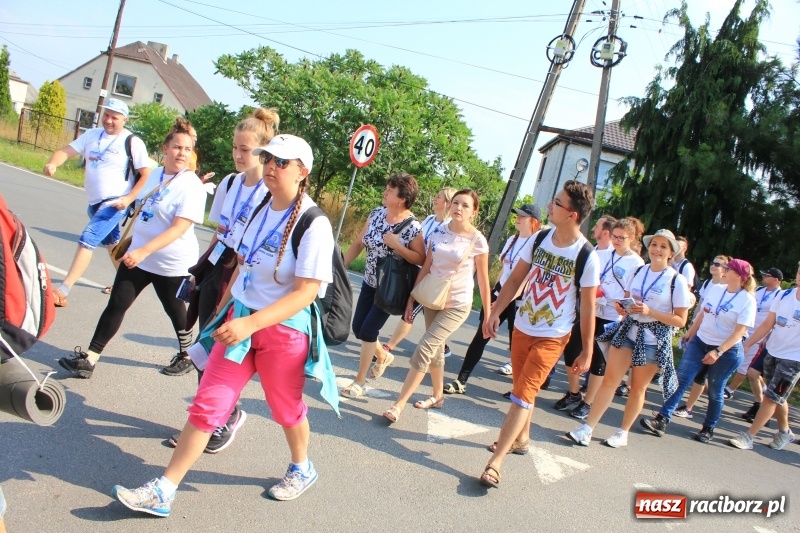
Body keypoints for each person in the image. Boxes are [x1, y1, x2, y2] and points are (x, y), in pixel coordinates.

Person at [113, 134, 337, 514]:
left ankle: (302, 467)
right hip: (239, 323)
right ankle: (164, 490)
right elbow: (243, 263)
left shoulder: (314, 223)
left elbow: (305, 293)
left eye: (282, 162)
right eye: (268, 158)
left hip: (284, 331)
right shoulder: (261, 207)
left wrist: (251, 325)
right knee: (207, 405)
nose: (271, 166)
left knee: (285, 409)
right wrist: (227, 308)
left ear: (303, 172)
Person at [58, 118, 207, 379]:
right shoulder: (154, 175)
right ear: (165, 149)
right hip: (138, 256)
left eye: (187, 149)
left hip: (171, 264)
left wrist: (143, 251)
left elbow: (178, 229)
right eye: (176, 147)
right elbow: (136, 202)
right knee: (117, 303)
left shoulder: (191, 185)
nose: (181, 153)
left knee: (175, 312)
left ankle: (186, 353)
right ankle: (90, 359)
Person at [166, 109, 279, 453]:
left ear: (263, 151)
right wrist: (203, 269)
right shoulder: (231, 182)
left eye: (245, 150)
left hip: (243, 273)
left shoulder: (269, 190)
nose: (238, 155)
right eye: (235, 148)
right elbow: (221, 230)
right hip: (219, 264)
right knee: (205, 342)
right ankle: (211, 419)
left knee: (216, 345)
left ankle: (220, 418)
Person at [478, 180, 600, 488]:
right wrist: (494, 312)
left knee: (522, 395)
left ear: (572, 214)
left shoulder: (587, 256)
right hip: (522, 326)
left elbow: (587, 308)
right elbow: (515, 278)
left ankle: (496, 462)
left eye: (557, 203)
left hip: (553, 335)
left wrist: (586, 350)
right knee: (522, 387)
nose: (550, 205)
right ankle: (523, 438)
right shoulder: (541, 238)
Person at [567, 229, 691, 447]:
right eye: (654, 244)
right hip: (628, 329)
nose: (657, 249)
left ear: (671, 253)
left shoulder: (676, 281)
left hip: (653, 338)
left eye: (663, 246)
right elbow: (627, 298)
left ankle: (622, 432)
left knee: (637, 387)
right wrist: (622, 307)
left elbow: (680, 320)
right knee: (610, 380)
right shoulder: (640, 271)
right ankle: (587, 428)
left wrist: (649, 311)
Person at [382, 189, 491, 422]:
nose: (458, 208)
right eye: (456, 203)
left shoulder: (477, 240)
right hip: (433, 297)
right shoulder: (440, 231)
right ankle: (438, 396)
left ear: (474, 212)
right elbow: (427, 266)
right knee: (436, 351)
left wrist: (489, 314)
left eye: (465, 205)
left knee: (425, 347)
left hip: (457, 304)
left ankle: (398, 405)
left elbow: (483, 280)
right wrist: (412, 297)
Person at [43, 98, 153, 307]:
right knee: (113, 243)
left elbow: (146, 174)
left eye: (115, 117)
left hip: (115, 203)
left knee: (88, 238)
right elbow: (65, 151)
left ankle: (64, 290)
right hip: (95, 201)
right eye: (107, 115)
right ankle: (126, 284)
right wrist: (52, 163)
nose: (109, 121)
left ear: (124, 119)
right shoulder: (92, 136)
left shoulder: (132, 142)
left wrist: (129, 198)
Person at [641, 258, 756, 443]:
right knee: (681, 379)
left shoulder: (747, 300)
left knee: (715, 391)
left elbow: (740, 332)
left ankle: (708, 428)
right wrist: (690, 333)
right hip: (701, 342)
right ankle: (661, 419)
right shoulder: (717, 289)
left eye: (728, 268)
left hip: (727, 352)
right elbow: (704, 313)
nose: (723, 270)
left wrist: (718, 351)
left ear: (739, 275)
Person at [340, 173, 425, 398]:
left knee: (369, 330)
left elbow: (421, 258)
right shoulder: (377, 213)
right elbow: (359, 242)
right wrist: (340, 268)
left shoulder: (412, 227)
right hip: (369, 280)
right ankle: (383, 355)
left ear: (402, 199)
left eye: (390, 190)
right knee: (359, 329)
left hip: (390, 288)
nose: (385, 192)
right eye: (387, 188)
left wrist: (398, 246)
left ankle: (359, 381)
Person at [443, 204, 542, 395]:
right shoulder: (512, 240)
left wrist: (503, 300)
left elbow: (524, 280)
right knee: (482, 334)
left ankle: (519, 389)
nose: (518, 218)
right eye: (517, 215)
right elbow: (504, 270)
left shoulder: (536, 245)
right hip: (502, 292)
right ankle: (461, 380)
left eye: (523, 216)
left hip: (520, 299)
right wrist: (496, 293)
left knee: (517, 345)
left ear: (534, 222)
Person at [555, 218, 645, 420]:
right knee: (571, 349)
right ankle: (574, 392)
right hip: (592, 309)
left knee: (598, 360)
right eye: (615, 236)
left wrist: (623, 307)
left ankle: (588, 402)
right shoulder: (602, 254)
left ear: (632, 238)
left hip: (612, 315)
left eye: (622, 238)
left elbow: (632, 292)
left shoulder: (636, 263)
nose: (617, 240)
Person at [728, 263, 800, 451]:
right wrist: (748, 343)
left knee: (771, 397)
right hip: (773, 351)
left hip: (794, 359)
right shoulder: (784, 295)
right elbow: (768, 323)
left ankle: (748, 436)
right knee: (777, 396)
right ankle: (784, 432)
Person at [381, 187, 456, 357]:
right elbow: (418, 242)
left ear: (448, 203)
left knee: (411, 310)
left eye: (439, 197)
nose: (435, 199)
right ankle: (442, 347)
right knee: (429, 318)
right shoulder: (429, 219)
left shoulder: (448, 227)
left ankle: (388, 348)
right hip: (415, 270)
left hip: (431, 276)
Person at [670, 254, 731, 418]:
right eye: (713, 262)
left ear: (726, 269)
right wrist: (692, 328)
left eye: (718, 264)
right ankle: (669, 407)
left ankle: (689, 407)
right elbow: (701, 308)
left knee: (702, 375)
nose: (714, 265)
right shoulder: (709, 283)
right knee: (687, 371)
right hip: (700, 330)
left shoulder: (731, 290)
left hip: (717, 339)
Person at [727, 267, 782, 404]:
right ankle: (763, 387)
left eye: (767, 275)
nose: (763, 276)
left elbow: (775, 320)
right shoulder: (758, 291)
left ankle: (730, 389)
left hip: (760, 336)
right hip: (746, 330)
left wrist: (766, 337)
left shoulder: (779, 295)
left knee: (746, 365)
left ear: (776, 280)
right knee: (742, 362)